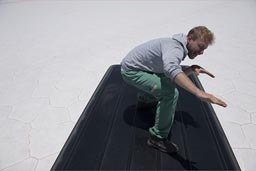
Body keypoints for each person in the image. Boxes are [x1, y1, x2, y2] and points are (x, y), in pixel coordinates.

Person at [120, 26, 227, 154]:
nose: (201, 52)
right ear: (189, 38)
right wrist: (199, 93)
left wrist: (191, 69)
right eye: (200, 46)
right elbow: (172, 70)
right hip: (132, 71)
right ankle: (157, 138)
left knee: (166, 84)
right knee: (170, 93)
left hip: (145, 69)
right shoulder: (175, 49)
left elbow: (171, 74)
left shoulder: (177, 45)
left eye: (204, 49)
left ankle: (145, 101)